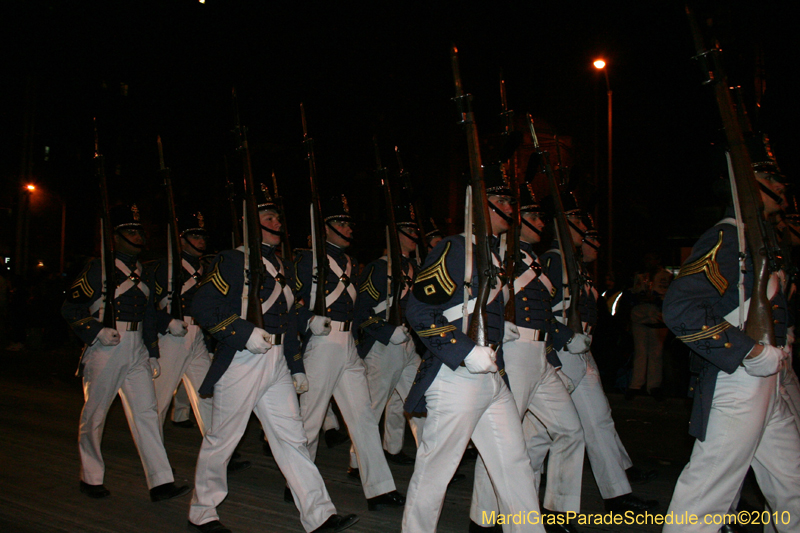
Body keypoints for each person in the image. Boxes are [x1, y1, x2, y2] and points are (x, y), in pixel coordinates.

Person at [188, 189, 358, 533]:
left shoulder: (281, 264)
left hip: (277, 360)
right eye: (269, 218)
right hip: (242, 360)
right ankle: (202, 511)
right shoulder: (231, 261)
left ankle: (319, 514)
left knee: (292, 438)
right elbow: (203, 306)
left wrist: (295, 366)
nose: (277, 222)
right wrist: (240, 332)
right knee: (223, 438)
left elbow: (290, 318)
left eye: (278, 218)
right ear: (253, 224)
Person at [661, 137, 800, 533]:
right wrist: (749, 353)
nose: (781, 186)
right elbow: (681, 308)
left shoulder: (764, 238)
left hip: (771, 379)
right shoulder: (728, 237)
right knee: (708, 491)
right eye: (768, 176)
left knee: (792, 485)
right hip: (739, 378)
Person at [402, 174, 544, 533]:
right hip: (456, 378)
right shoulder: (455, 249)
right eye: (505, 201)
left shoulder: (497, 255)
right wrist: (464, 351)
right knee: (436, 472)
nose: (512, 209)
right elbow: (418, 311)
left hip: (492, 376)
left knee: (515, 463)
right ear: (484, 205)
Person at [470, 184, 586, 533]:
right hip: (514, 353)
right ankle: (484, 519)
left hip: (540, 355)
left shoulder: (532, 259)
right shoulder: (499, 254)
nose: (539, 221)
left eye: (538, 215)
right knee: (502, 441)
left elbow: (545, 315)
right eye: (531, 215)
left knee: (570, 430)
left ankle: (558, 510)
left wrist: (563, 342)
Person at [61, 203, 190, 502]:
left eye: (139, 231)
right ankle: (90, 477)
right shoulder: (98, 268)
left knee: (146, 413)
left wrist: (153, 351)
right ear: (116, 236)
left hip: (137, 349)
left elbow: (147, 314)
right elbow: (70, 307)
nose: (138, 236)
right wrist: (94, 330)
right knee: (95, 414)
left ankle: (160, 481)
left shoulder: (142, 272)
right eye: (130, 231)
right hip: (107, 346)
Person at [539, 200, 658, 514]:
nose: (592, 238)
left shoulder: (574, 264)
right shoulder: (553, 261)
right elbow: (538, 312)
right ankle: (516, 494)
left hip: (581, 352)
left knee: (600, 422)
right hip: (561, 352)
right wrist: (564, 340)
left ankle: (617, 495)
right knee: (539, 431)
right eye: (582, 226)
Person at [294, 194, 405, 510]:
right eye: (340, 223)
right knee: (311, 418)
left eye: (348, 223)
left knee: (364, 416)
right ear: (324, 227)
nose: (348, 228)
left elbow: (357, 310)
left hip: (348, 346)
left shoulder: (350, 263)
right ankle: (297, 482)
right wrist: (308, 321)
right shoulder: (307, 261)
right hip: (321, 344)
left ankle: (379, 488)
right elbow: (288, 305)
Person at [149, 210, 250, 472]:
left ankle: (221, 453)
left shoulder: (208, 266)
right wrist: (165, 322)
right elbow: (147, 305)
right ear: (181, 239)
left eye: (202, 235)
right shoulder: (165, 266)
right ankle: (152, 456)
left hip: (198, 337)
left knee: (209, 395)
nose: (201, 240)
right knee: (158, 402)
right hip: (173, 336)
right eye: (194, 235)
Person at [349, 202, 424, 472]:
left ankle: (429, 460)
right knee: (372, 406)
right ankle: (359, 463)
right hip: (382, 346)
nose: (414, 235)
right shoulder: (378, 268)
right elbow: (361, 310)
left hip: (407, 345)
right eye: (408, 230)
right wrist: (385, 331)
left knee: (420, 399)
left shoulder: (413, 267)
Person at [627, 252, 673, 400]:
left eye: (651, 258)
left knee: (656, 352)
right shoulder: (640, 275)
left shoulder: (666, 275)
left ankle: (653, 386)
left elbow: (668, 295)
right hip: (640, 313)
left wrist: (656, 299)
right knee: (640, 351)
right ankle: (636, 385)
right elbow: (632, 294)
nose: (648, 261)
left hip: (658, 314)